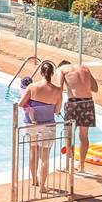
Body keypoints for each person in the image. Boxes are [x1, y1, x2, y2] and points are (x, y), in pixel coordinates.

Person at [18, 61, 62, 192]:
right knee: (45, 157)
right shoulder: (58, 91)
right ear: (52, 74)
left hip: (31, 124)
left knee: (32, 152)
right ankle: (42, 187)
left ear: (41, 73)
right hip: (48, 125)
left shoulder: (32, 87)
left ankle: (34, 180)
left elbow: (21, 104)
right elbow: (57, 110)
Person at [57, 58, 99, 173]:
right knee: (84, 136)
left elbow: (59, 90)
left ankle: (68, 165)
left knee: (68, 135)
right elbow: (95, 89)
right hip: (88, 103)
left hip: (74, 103)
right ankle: (81, 166)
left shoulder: (62, 70)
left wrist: (57, 108)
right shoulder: (85, 68)